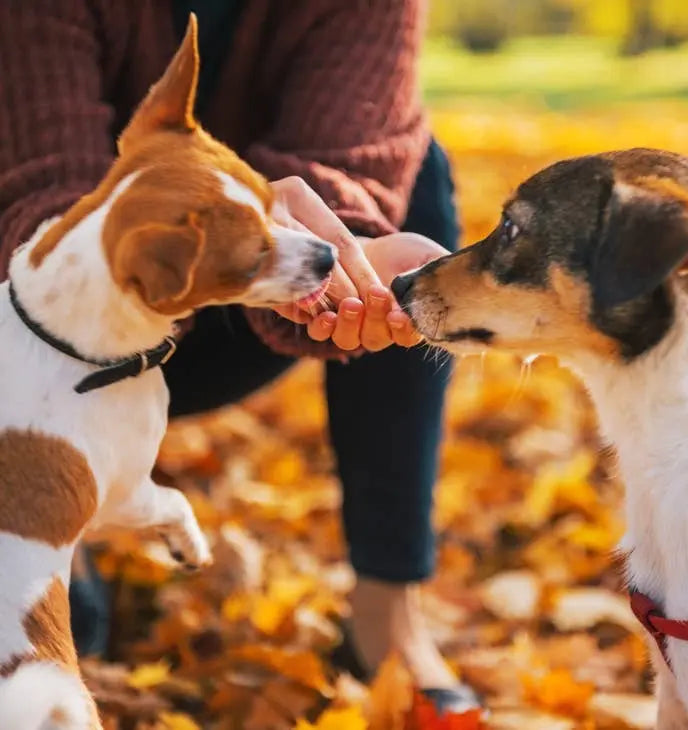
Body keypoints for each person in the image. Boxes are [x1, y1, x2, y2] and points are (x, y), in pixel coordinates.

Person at [0, 1, 482, 715]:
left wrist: (350, 261)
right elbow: (46, 180)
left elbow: (351, 157)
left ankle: (386, 613)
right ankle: (52, 505)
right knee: (74, 632)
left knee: (425, 176)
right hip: (43, 319)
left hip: (234, 310)